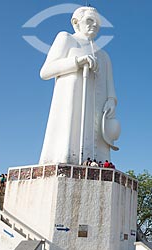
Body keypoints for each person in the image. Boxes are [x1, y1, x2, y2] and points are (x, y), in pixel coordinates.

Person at [39, 6, 119, 165]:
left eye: (97, 23)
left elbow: (110, 85)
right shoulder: (67, 39)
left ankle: (97, 162)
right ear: (76, 22)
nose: (94, 25)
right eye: (90, 20)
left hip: (97, 109)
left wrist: (111, 100)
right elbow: (46, 71)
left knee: (97, 142)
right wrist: (77, 62)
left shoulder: (103, 55)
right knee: (71, 138)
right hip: (73, 103)